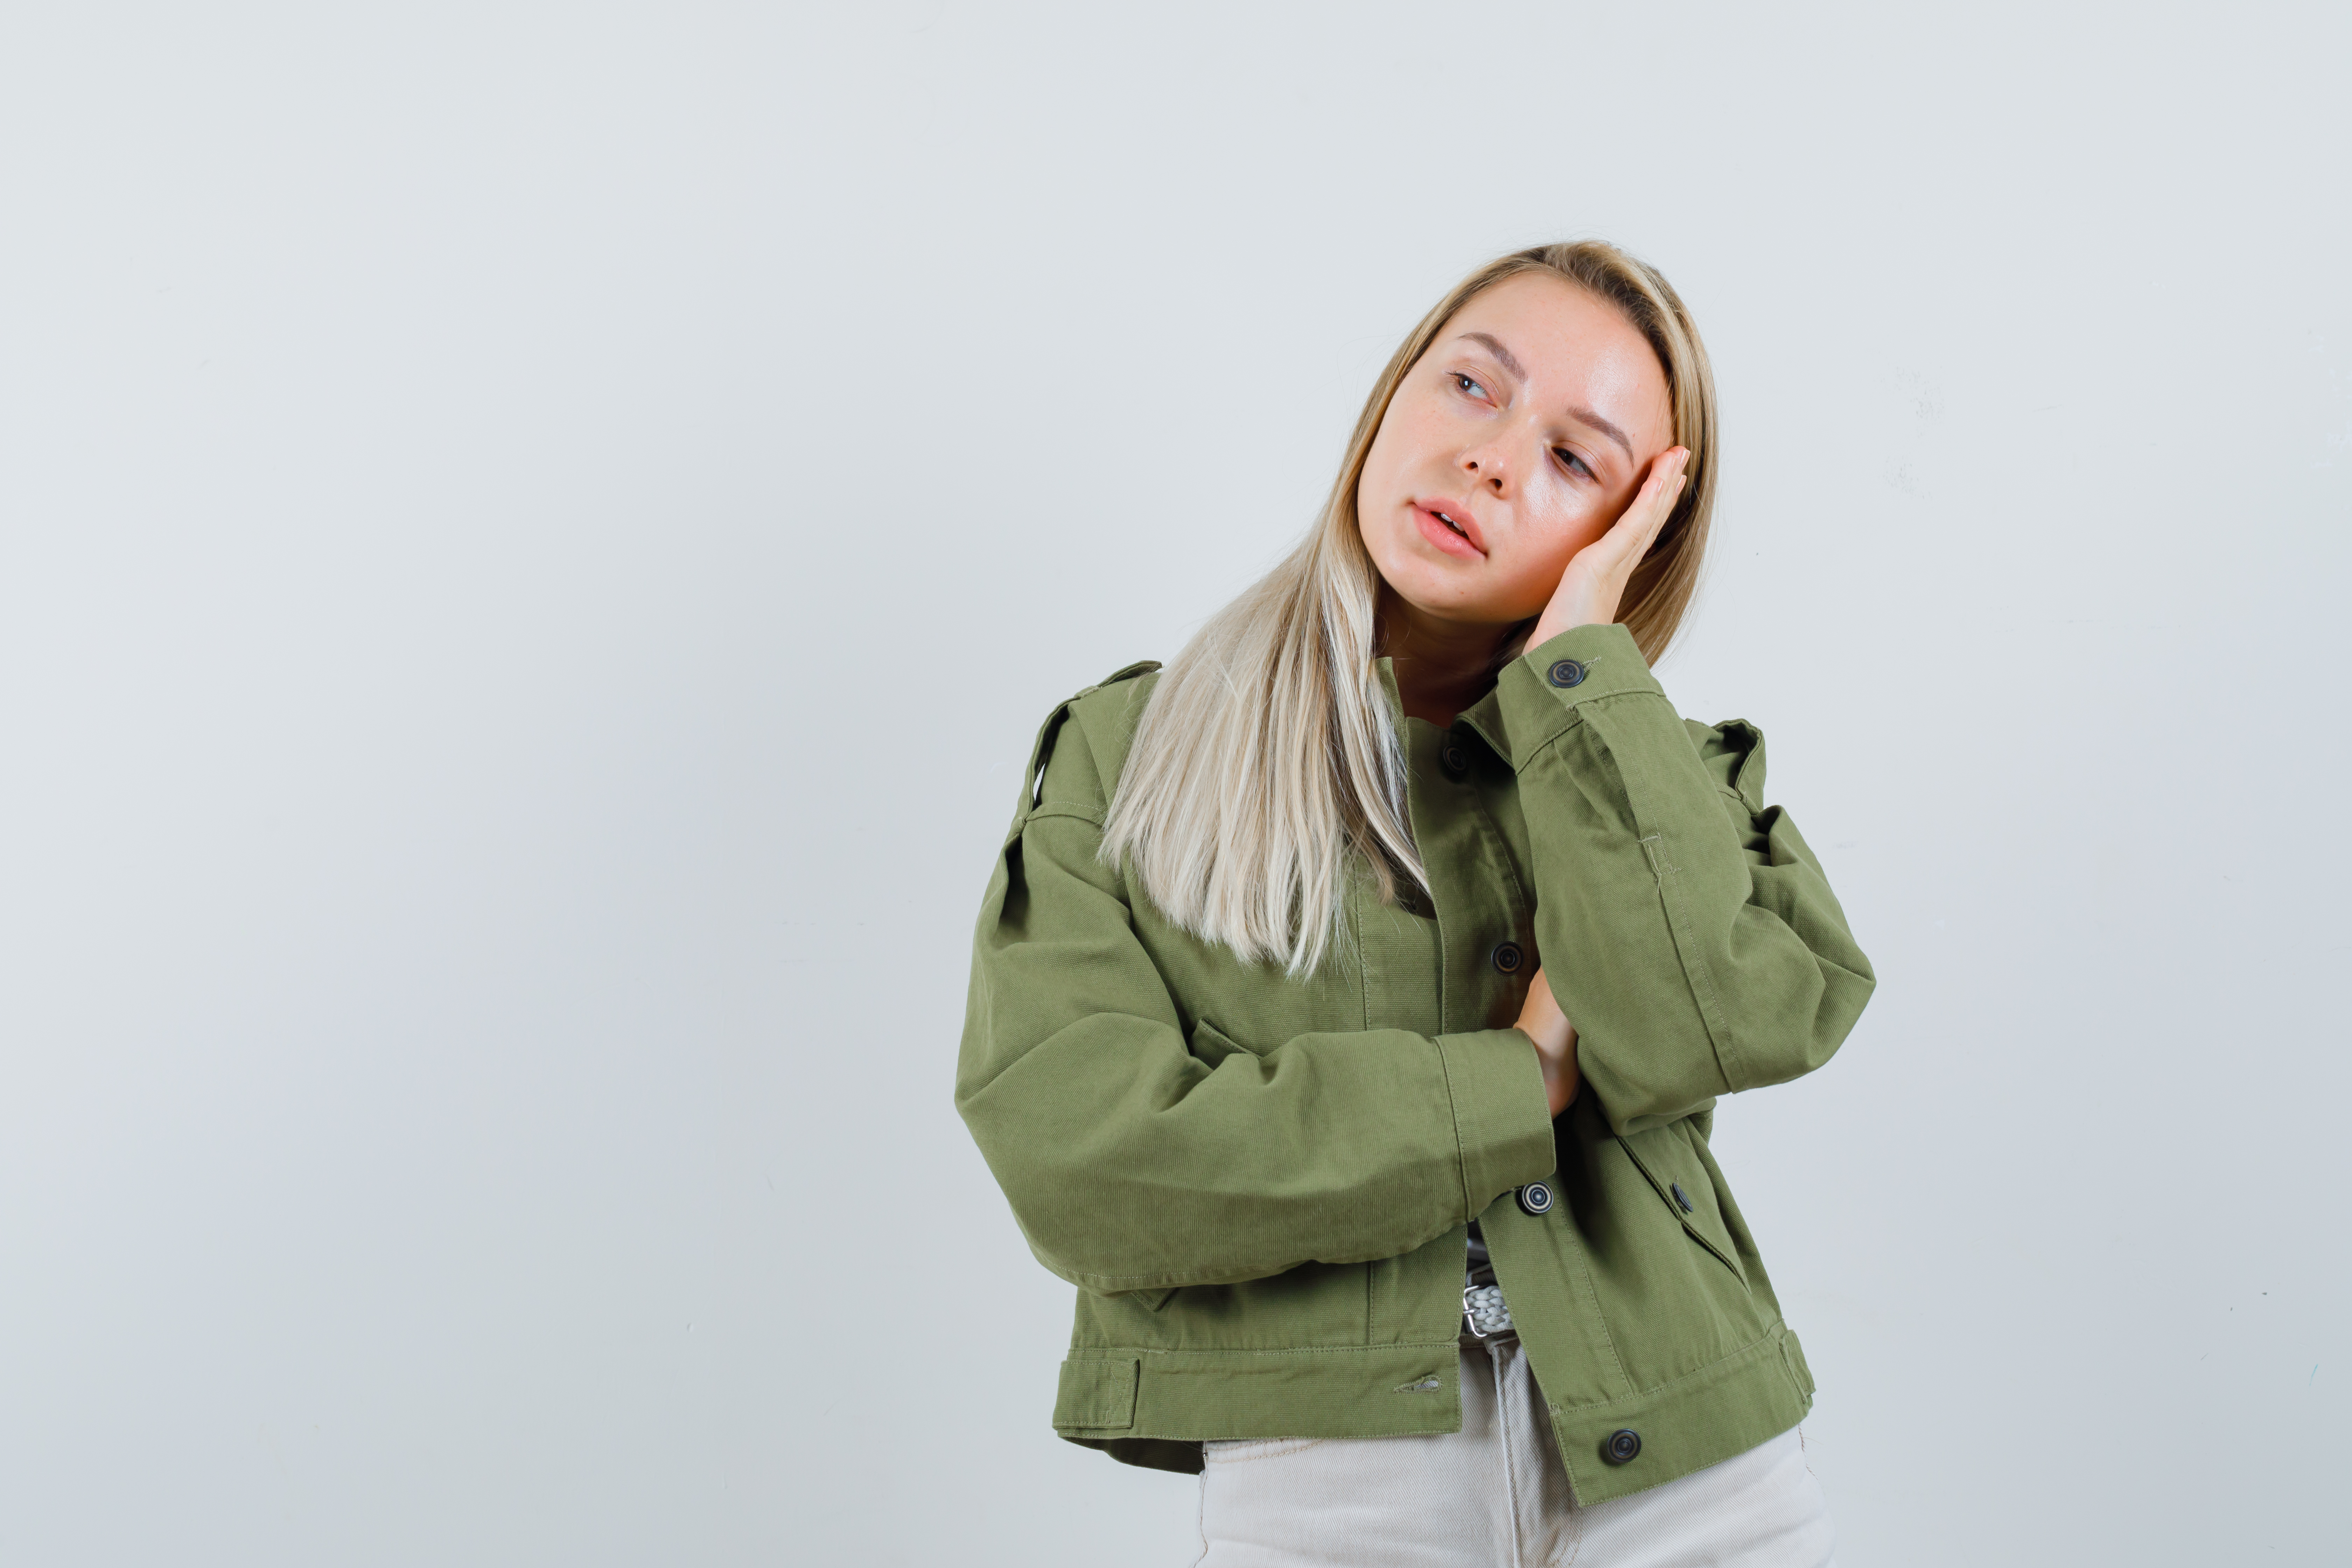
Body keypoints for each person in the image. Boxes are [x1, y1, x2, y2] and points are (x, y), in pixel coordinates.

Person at [954, 240, 1875, 1566]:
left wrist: (1580, 675)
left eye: (1575, 461)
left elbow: (1708, 1024)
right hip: (1327, 1467)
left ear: (1626, 541)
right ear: (1394, 397)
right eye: (1470, 388)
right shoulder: (1131, 749)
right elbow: (1087, 1163)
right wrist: (1522, 1076)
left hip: (1689, 1458)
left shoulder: (1651, 766)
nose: (1493, 460)